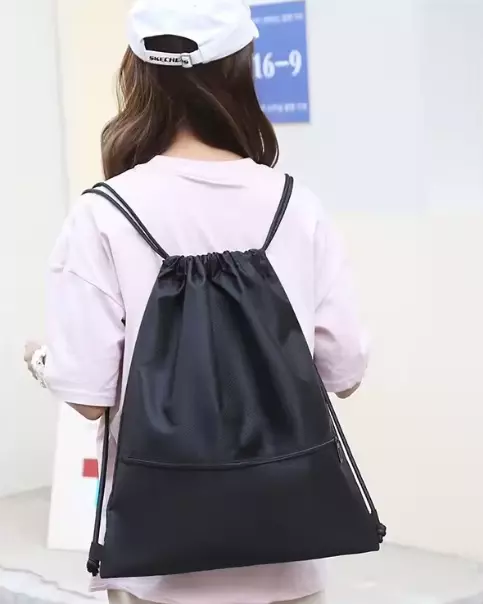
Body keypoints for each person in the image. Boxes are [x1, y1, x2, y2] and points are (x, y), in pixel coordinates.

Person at [25, 1, 368, 603]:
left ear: (137, 73)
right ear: (241, 68)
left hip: (155, 565)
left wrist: (38, 360)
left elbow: (87, 397)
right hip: (288, 554)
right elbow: (345, 370)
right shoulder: (295, 204)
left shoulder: (103, 214)